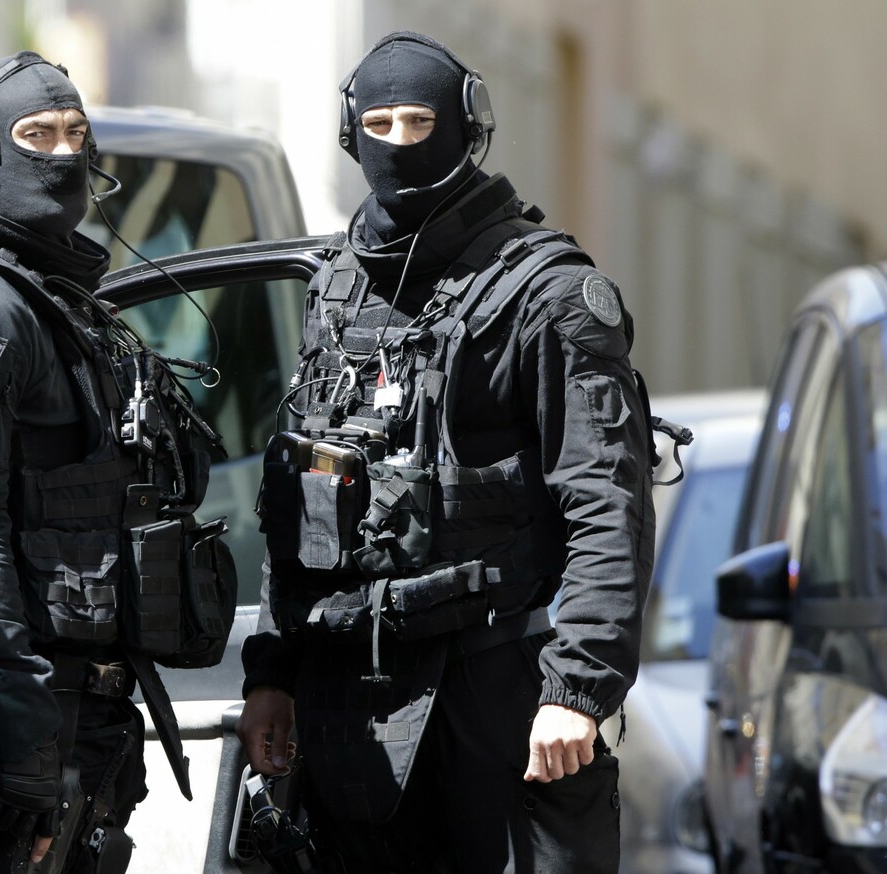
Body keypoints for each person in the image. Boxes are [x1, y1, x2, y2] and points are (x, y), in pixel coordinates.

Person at [238, 32, 657, 873]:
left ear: (468, 126)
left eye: (419, 121)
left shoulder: (548, 294)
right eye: (379, 124)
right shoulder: (337, 286)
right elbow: (303, 503)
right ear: (351, 133)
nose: (398, 144)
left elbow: (607, 503)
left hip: (497, 695)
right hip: (349, 710)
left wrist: (576, 691)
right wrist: (272, 673)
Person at [0, 51, 231, 873]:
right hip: (38, 718)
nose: (64, 154)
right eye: (37, 135)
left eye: (76, 133)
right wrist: (28, 754)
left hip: (79, 712)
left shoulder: (39, 290)